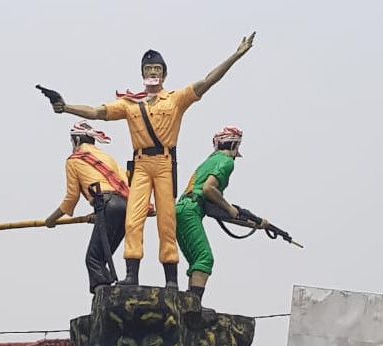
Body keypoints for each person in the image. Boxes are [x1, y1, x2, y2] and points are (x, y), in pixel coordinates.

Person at [42, 33, 256, 289]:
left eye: (157, 69)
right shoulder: (130, 104)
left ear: (164, 75)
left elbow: (208, 81)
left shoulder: (176, 99)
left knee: (167, 221)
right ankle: (132, 273)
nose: (153, 72)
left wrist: (236, 54)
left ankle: (171, 279)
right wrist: (66, 107)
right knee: (134, 218)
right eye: (148, 69)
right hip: (141, 164)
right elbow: (98, 112)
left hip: (164, 163)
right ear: (142, 73)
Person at [176, 127, 266, 302]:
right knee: (205, 258)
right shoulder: (226, 161)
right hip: (190, 210)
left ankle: (191, 302)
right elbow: (209, 189)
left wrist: (256, 223)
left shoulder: (210, 161)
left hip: (185, 208)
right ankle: (194, 306)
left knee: (197, 260)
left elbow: (218, 209)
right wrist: (230, 208)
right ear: (234, 145)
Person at [45, 121, 129, 293]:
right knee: (102, 257)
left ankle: (102, 297)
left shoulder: (74, 161)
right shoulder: (107, 158)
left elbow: (71, 198)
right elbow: (124, 184)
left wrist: (51, 219)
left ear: (76, 141)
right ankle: (108, 291)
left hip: (106, 205)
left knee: (93, 259)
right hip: (125, 207)